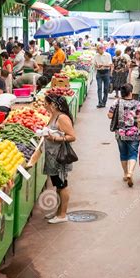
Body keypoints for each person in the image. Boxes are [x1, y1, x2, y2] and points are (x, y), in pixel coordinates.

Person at [43, 94, 77, 224]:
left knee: (62, 184)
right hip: (52, 156)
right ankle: (58, 211)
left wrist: (55, 138)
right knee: (57, 184)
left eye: (45, 103)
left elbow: (72, 136)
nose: (44, 106)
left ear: (53, 104)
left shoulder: (62, 117)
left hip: (59, 157)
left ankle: (63, 214)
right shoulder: (54, 115)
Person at [108, 83, 140, 187]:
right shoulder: (137, 104)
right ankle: (130, 172)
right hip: (133, 132)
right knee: (133, 154)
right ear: (131, 92)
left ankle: (125, 174)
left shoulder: (117, 102)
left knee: (123, 153)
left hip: (120, 132)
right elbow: (139, 120)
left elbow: (109, 115)